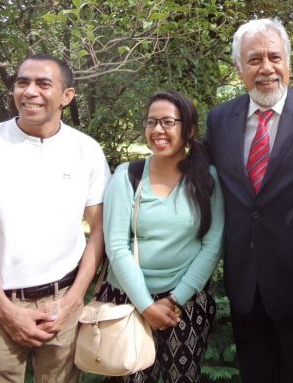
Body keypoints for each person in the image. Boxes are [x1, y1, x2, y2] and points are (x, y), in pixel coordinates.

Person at [0, 54, 110, 382]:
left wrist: (72, 301)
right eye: (22, 82)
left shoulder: (86, 151)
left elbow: (99, 231)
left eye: (43, 83)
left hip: (63, 304)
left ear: (67, 96)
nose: (29, 91)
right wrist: (4, 311)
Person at [204, 18, 293, 383]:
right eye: (254, 60)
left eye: (274, 57)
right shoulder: (220, 120)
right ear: (239, 69)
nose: (266, 68)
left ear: (288, 64)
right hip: (245, 283)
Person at [100, 89, 224, 383]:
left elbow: (213, 245)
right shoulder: (127, 176)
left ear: (189, 130)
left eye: (168, 122)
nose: (157, 130)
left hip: (185, 305)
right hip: (127, 302)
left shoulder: (207, 180)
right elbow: (116, 246)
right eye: (151, 122)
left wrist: (174, 300)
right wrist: (145, 305)